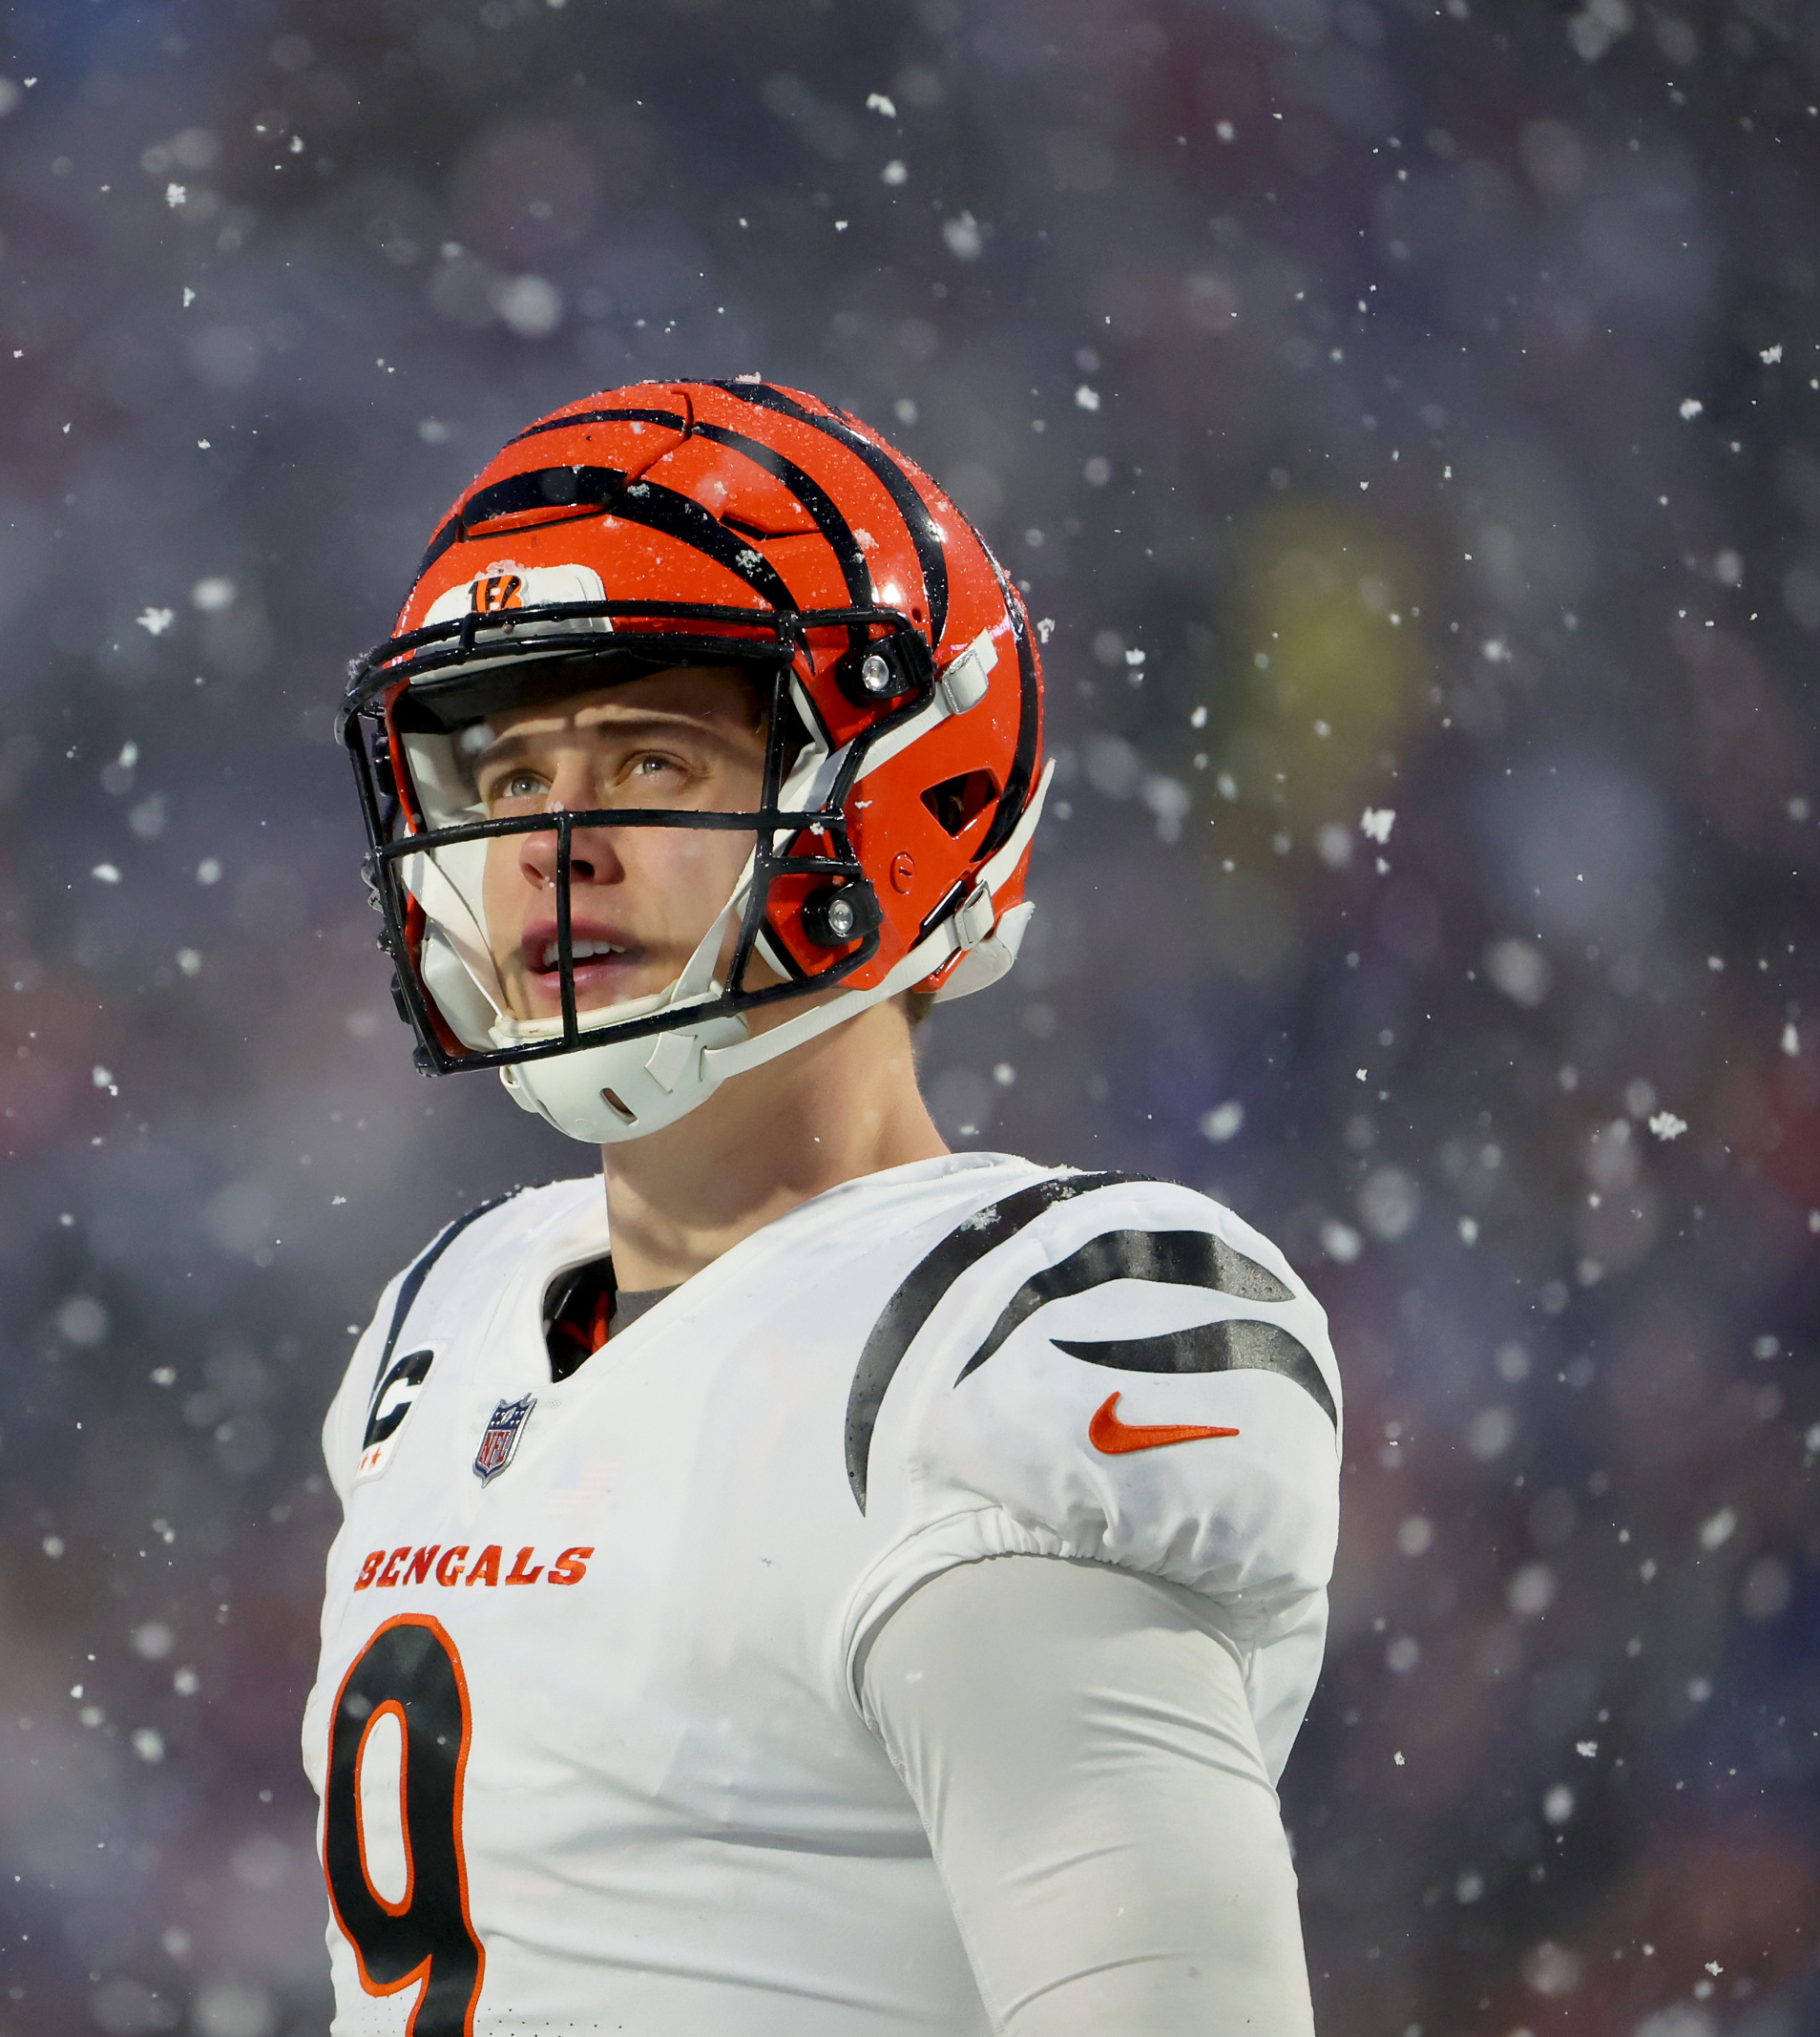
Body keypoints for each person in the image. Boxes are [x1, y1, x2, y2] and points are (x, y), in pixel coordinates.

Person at [305, 379, 1342, 2035]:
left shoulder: (990, 1354)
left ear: (901, 793)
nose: (551, 848)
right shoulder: (449, 1324)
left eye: (650, 757)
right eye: (506, 781)